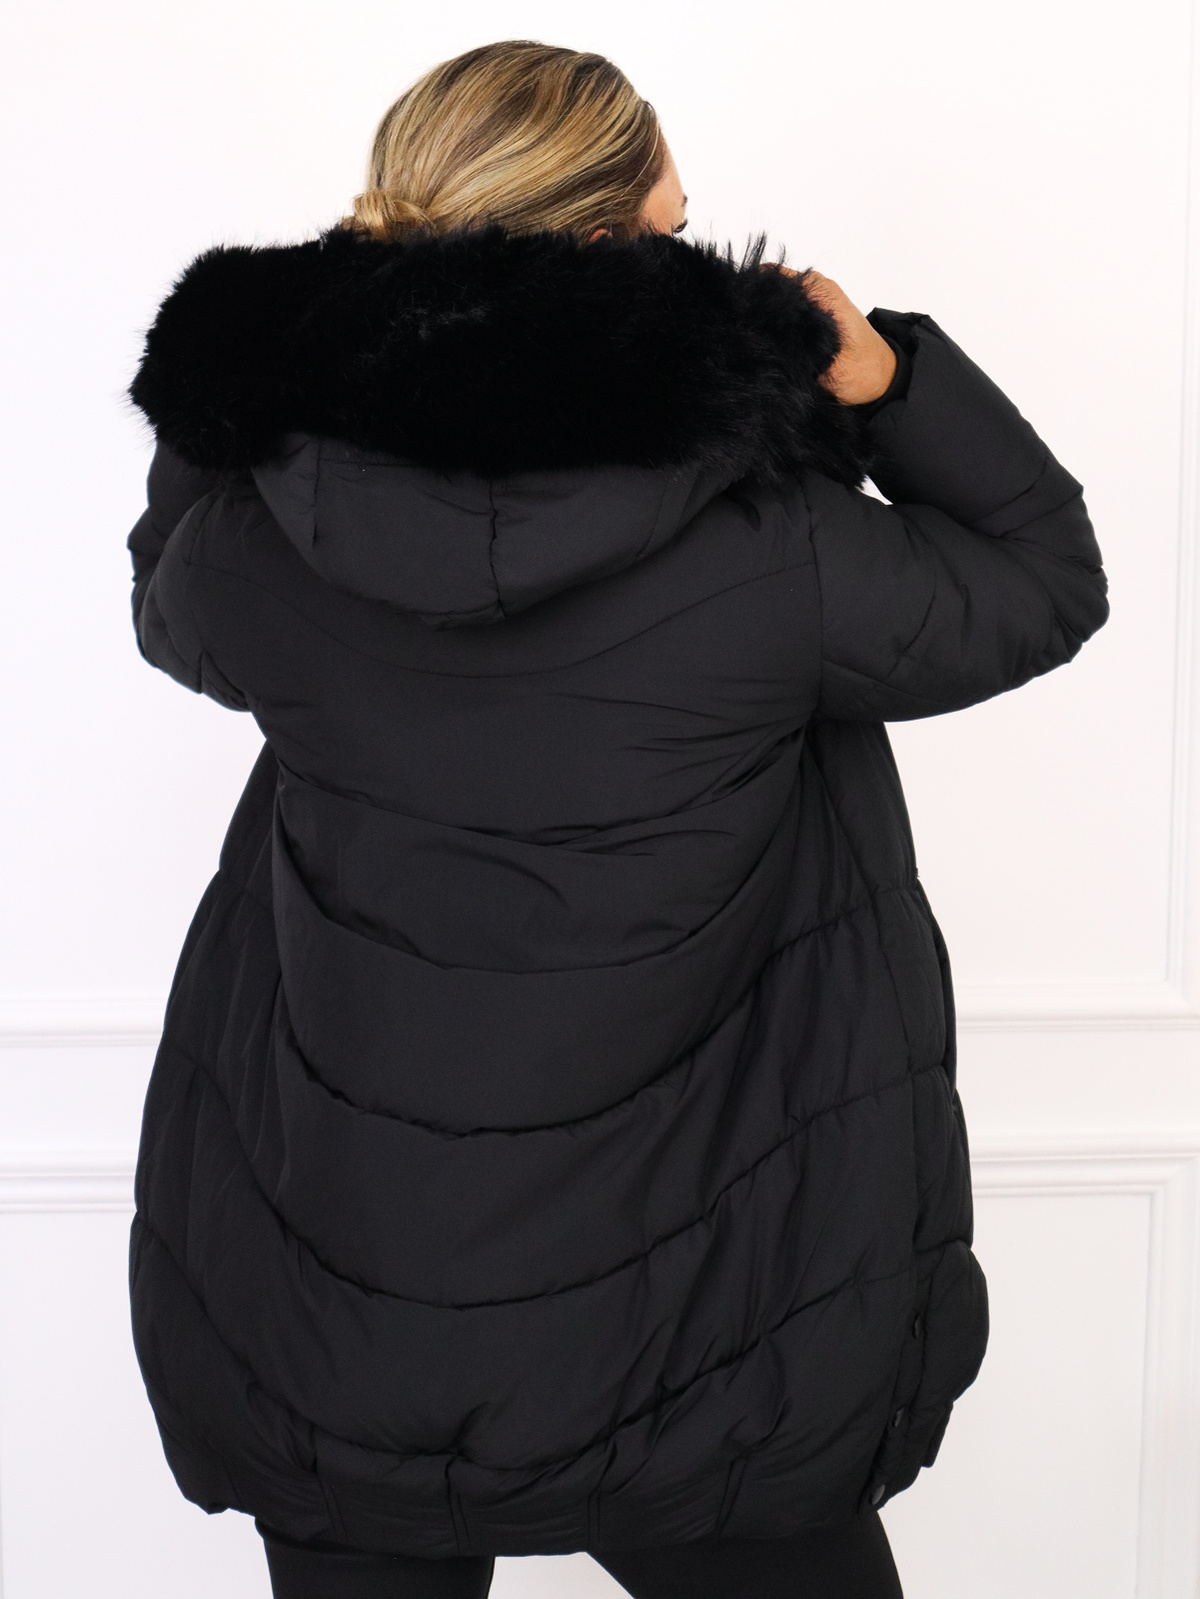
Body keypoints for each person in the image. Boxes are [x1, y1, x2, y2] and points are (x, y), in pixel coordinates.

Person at [123, 38, 1108, 1599]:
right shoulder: (771, 541)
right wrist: (892, 382)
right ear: (598, 246)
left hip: (344, 1324)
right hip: (697, 1351)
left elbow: (162, 594)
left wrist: (270, 359)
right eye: (670, 226)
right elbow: (1043, 584)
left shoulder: (265, 541)